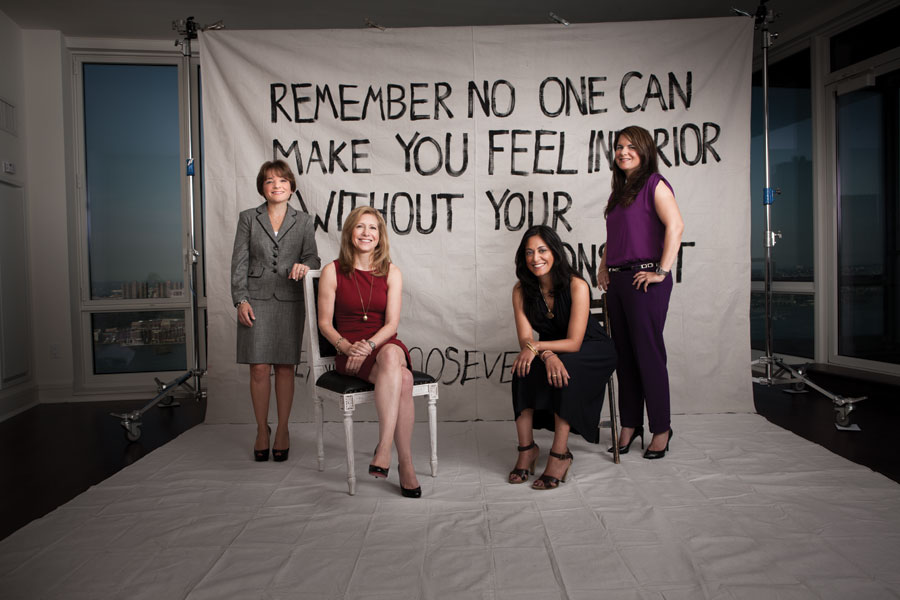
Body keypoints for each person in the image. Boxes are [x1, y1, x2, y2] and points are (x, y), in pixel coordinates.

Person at [316, 206, 421, 498]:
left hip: (383, 343)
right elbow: (324, 324)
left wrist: (370, 345)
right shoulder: (332, 271)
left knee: (391, 355)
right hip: (348, 349)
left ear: (380, 236)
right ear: (350, 233)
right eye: (360, 226)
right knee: (405, 379)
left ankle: (384, 448)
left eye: (373, 228)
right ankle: (406, 465)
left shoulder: (392, 272)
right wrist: (348, 347)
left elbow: (392, 325)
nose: (366, 233)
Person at [597, 125, 684, 459]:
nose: (623, 152)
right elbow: (616, 237)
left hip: (644, 280)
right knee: (624, 357)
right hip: (619, 281)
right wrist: (603, 266)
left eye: (631, 146)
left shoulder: (654, 184)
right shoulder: (618, 194)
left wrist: (661, 271)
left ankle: (661, 427)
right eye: (619, 146)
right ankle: (630, 425)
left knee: (648, 355)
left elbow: (676, 226)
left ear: (645, 150)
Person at [510, 225, 617, 489]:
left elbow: (574, 342)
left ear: (555, 252)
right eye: (529, 252)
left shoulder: (576, 285)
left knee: (563, 370)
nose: (535, 258)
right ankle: (527, 449)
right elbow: (525, 340)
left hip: (591, 349)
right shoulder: (521, 290)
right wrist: (546, 354)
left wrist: (540, 349)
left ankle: (560, 455)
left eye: (542, 250)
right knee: (522, 368)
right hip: (551, 349)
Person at [231, 159, 320, 462]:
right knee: (258, 367)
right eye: (269, 181)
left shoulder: (304, 221)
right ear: (262, 188)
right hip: (255, 300)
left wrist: (304, 266)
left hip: (289, 300)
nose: (276, 185)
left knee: (284, 367)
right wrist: (240, 300)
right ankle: (261, 429)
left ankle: (282, 429)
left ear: (291, 187)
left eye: (282, 180)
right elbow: (239, 262)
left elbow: (313, 258)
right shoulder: (248, 218)